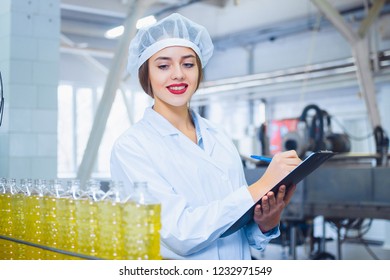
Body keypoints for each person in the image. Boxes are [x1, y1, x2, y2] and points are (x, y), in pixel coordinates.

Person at [110, 13, 301, 260]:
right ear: (146, 75)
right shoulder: (132, 147)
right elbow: (179, 235)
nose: (178, 74)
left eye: (188, 64)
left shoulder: (218, 136)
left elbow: (240, 231)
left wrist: (266, 221)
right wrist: (262, 185)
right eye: (163, 65)